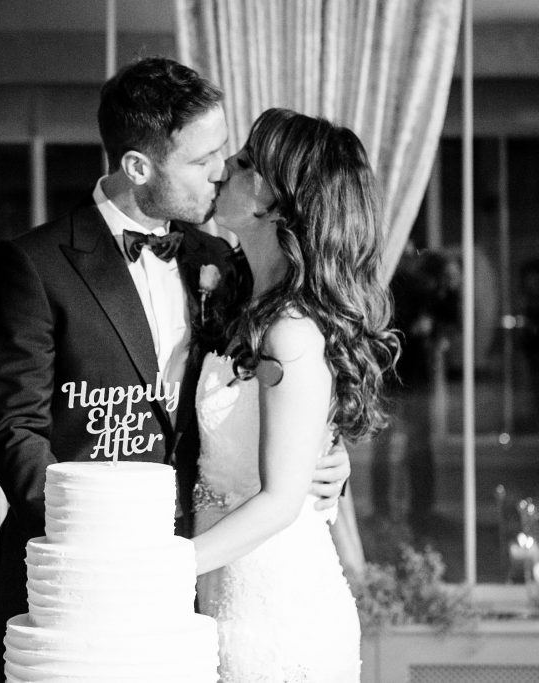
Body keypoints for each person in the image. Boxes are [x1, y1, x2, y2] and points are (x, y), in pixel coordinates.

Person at [0, 57, 350, 679]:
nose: (223, 170)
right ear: (138, 166)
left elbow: (268, 396)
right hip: (78, 594)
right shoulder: (31, 265)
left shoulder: (222, 262)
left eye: (226, 153)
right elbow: (17, 437)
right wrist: (101, 559)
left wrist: (327, 458)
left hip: (199, 586)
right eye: (203, 160)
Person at [191, 108, 400, 681]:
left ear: (273, 200)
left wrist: (166, 567)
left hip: (280, 618)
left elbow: (282, 501)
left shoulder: (291, 330)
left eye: (244, 162)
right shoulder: (244, 305)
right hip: (228, 596)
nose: (224, 166)